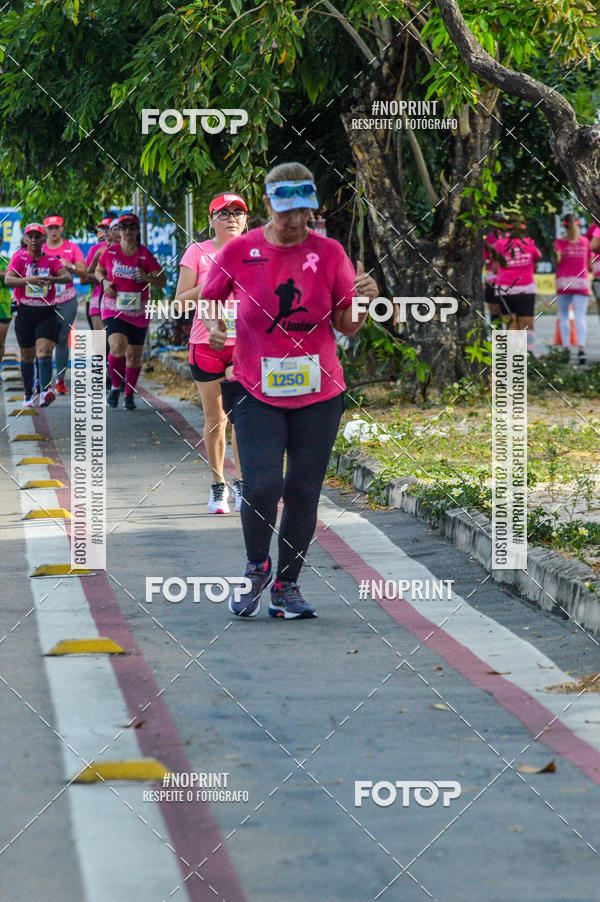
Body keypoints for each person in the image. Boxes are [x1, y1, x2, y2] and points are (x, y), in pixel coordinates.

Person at [202, 162, 378, 619]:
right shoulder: (241, 250)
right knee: (262, 485)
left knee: (303, 491)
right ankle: (256, 566)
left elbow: (347, 327)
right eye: (285, 211)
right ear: (268, 206)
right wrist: (216, 328)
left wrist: (365, 300)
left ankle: (287, 586)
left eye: (302, 210)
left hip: (319, 393)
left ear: (311, 207)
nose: (294, 220)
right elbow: (209, 297)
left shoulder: (330, 252)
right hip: (255, 389)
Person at [174, 192, 248, 514]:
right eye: (223, 213)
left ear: (247, 220)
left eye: (238, 212)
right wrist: (211, 286)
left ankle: (243, 484)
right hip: (207, 345)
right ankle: (218, 486)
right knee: (216, 419)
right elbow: (179, 302)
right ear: (210, 220)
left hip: (246, 346)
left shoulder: (256, 253)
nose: (231, 218)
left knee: (243, 419)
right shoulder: (198, 253)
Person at [95, 213, 166, 410]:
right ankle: (115, 386)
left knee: (134, 356)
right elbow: (98, 271)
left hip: (139, 311)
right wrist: (105, 282)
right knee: (117, 345)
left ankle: (129, 394)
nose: (126, 231)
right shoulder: (110, 252)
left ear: (137, 230)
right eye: (122, 227)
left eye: (131, 227)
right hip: (112, 307)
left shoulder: (145, 255)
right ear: (118, 230)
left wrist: (146, 277)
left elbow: (163, 280)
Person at [4, 223, 71, 407]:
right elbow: (8, 279)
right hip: (25, 312)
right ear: (25, 239)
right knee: (27, 356)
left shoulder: (51, 260)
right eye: (30, 237)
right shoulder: (19, 258)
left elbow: (67, 277)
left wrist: (52, 279)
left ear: (43, 240)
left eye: (37, 237)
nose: (34, 240)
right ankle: (27, 395)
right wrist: (28, 281)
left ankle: (45, 391)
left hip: (46, 311)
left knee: (44, 351)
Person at [42, 215, 87, 394]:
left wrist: (70, 266)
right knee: (43, 339)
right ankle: (42, 380)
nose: (53, 231)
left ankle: (60, 380)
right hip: (45, 300)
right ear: (45, 230)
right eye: (50, 228)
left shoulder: (71, 248)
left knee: (62, 338)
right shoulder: (41, 248)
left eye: (56, 227)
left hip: (66, 298)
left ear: (62, 229)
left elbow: (83, 272)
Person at [493, 215, 541, 348]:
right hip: (526, 289)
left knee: (510, 324)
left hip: (504, 289)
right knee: (527, 324)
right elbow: (537, 258)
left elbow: (495, 269)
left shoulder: (500, 243)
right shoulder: (529, 242)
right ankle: (528, 354)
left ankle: (514, 355)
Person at [554, 214, 592, 365]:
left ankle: (566, 349)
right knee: (580, 317)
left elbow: (557, 260)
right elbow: (589, 264)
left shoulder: (560, 242)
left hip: (563, 280)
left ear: (564, 225)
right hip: (581, 281)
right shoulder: (585, 242)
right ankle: (582, 351)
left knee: (563, 315)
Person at [85, 216, 113, 330]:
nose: (105, 232)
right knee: (99, 343)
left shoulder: (127, 248)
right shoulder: (96, 249)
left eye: (108, 228)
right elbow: (86, 277)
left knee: (117, 343)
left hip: (120, 299)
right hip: (97, 297)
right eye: (103, 229)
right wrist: (103, 280)